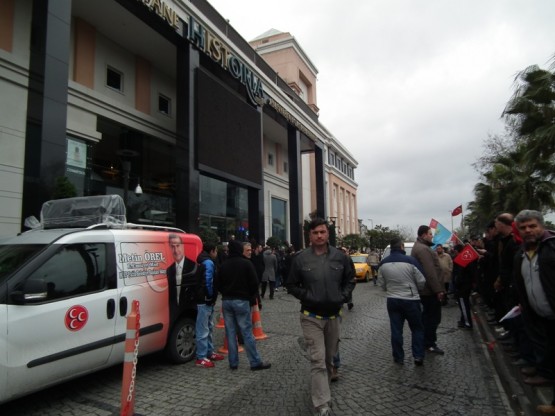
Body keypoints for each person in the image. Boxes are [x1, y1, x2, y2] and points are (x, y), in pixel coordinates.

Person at [286, 218, 355, 416]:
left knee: (328, 359)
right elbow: (291, 284)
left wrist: (342, 297)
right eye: (315, 232)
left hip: (333, 316)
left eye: (322, 232)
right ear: (309, 235)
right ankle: (322, 404)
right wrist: (307, 296)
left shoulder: (340, 257)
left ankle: (324, 389)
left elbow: (350, 280)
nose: (319, 236)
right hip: (310, 316)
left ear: (327, 234)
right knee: (317, 360)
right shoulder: (300, 259)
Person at [513, 210, 555, 406]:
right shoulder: (522, 253)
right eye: (523, 227)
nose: (528, 230)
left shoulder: (551, 247)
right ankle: (545, 373)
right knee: (544, 347)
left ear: (541, 226)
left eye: (532, 226)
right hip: (536, 312)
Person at [214, 239, 271, 371]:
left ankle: (233, 363)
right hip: (242, 300)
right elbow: (254, 283)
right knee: (246, 332)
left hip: (227, 301)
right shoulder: (246, 263)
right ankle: (255, 362)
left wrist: (225, 292)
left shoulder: (224, 265)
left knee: (230, 332)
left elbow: (217, 283)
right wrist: (249, 296)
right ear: (240, 250)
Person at [378, 238, 426, 365]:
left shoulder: (383, 263)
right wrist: (417, 289)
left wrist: (389, 289)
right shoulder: (411, 261)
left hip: (393, 299)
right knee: (417, 328)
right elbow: (421, 280)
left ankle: (398, 357)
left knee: (396, 330)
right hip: (411, 299)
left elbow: (381, 282)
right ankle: (418, 356)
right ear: (401, 246)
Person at [412, 225, 446, 354]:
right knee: (432, 318)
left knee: (429, 318)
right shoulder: (423, 249)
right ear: (424, 235)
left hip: (427, 290)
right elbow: (430, 272)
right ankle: (429, 343)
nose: (432, 236)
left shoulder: (422, 247)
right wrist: (438, 290)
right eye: (430, 234)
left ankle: (427, 342)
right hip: (428, 291)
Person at [194, 242, 225, 368]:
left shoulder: (203, 261)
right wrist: (210, 296)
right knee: (204, 328)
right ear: (212, 251)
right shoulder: (208, 263)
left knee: (208, 327)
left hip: (204, 299)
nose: (216, 253)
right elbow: (208, 281)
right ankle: (201, 357)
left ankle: (209, 352)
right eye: (216, 250)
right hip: (205, 300)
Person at [167, 233, 196, 323]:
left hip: (189, 311)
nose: (176, 250)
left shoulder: (193, 266)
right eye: (172, 247)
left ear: (183, 246)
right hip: (174, 312)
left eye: (178, 246)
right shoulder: (169, 270)